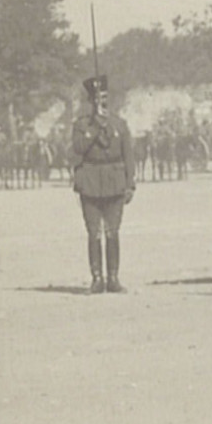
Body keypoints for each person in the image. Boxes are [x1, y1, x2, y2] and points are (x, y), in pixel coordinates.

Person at [70, 75, 135, 294]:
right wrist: (95, 128)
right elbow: (78, 148)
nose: (103, 103)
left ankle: (113, 278)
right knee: (94, 232)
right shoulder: (81, 125)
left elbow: (128, 156)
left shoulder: (120, 124)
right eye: (98, 99)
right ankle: (97, 279)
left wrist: (130, 184)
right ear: (91, 102)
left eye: (105, 98)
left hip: (115, 182)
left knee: (112, 232)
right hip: (90, 183)